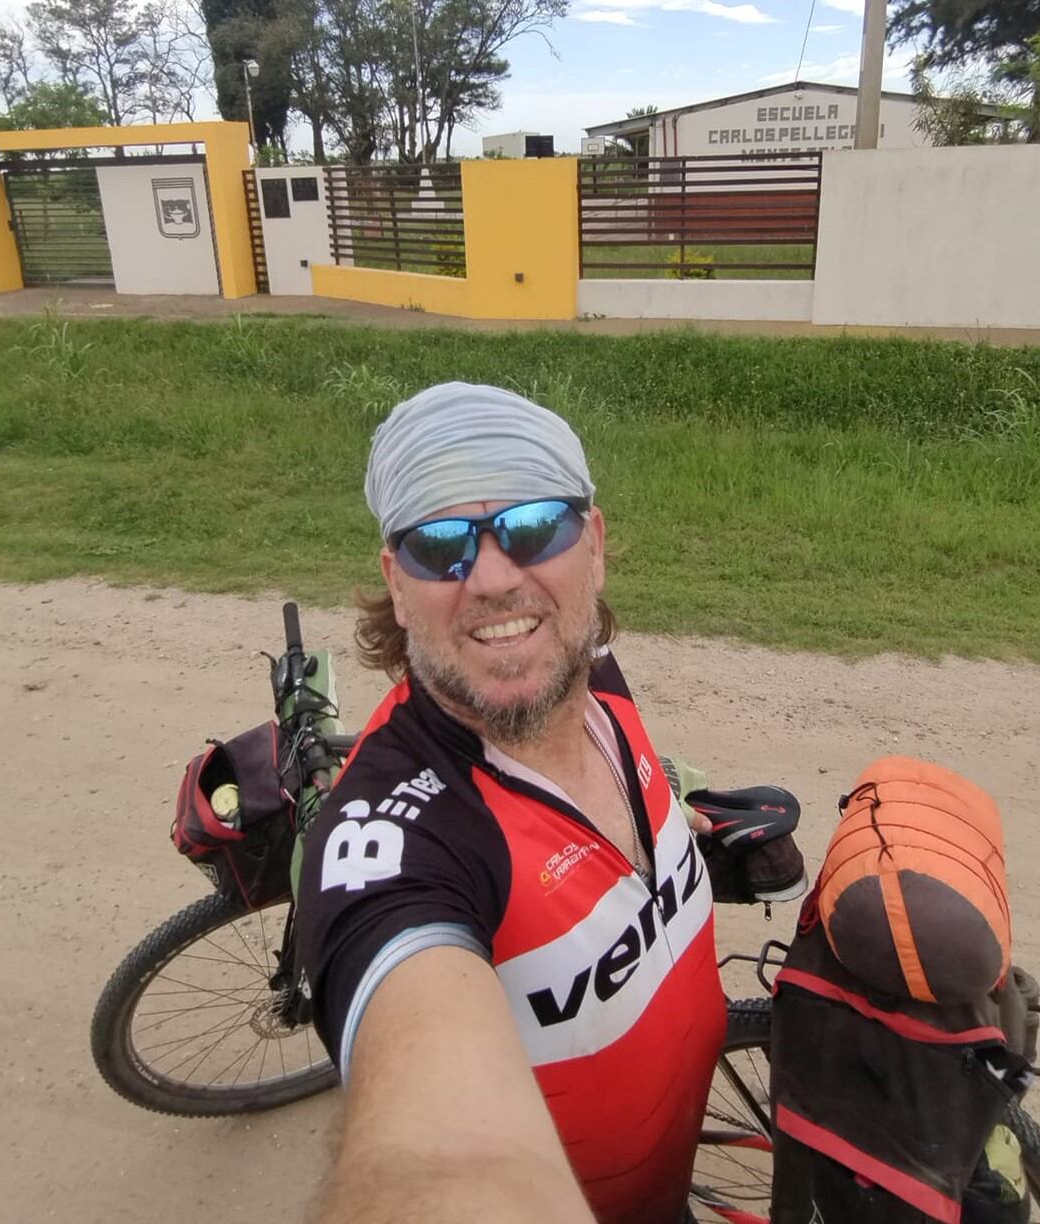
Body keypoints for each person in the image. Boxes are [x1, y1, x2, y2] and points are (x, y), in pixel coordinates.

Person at [297, 382, 724, 1224]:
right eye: (438, 545)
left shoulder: (585, 668)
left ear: (593, 545)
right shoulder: (397, 841)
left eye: (534, 527)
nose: (493, 578)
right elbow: (438, 1166)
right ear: (395, 578)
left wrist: (669, 819)